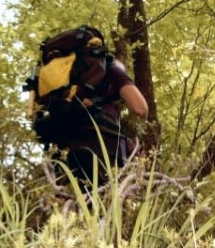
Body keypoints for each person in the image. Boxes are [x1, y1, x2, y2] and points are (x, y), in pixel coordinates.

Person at [44, 25, 148, 187]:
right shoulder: (112, 69)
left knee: (68, 203)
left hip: (64, 146)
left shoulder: (67, 74)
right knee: (104, 203)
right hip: (103, 145)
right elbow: (140, 108)